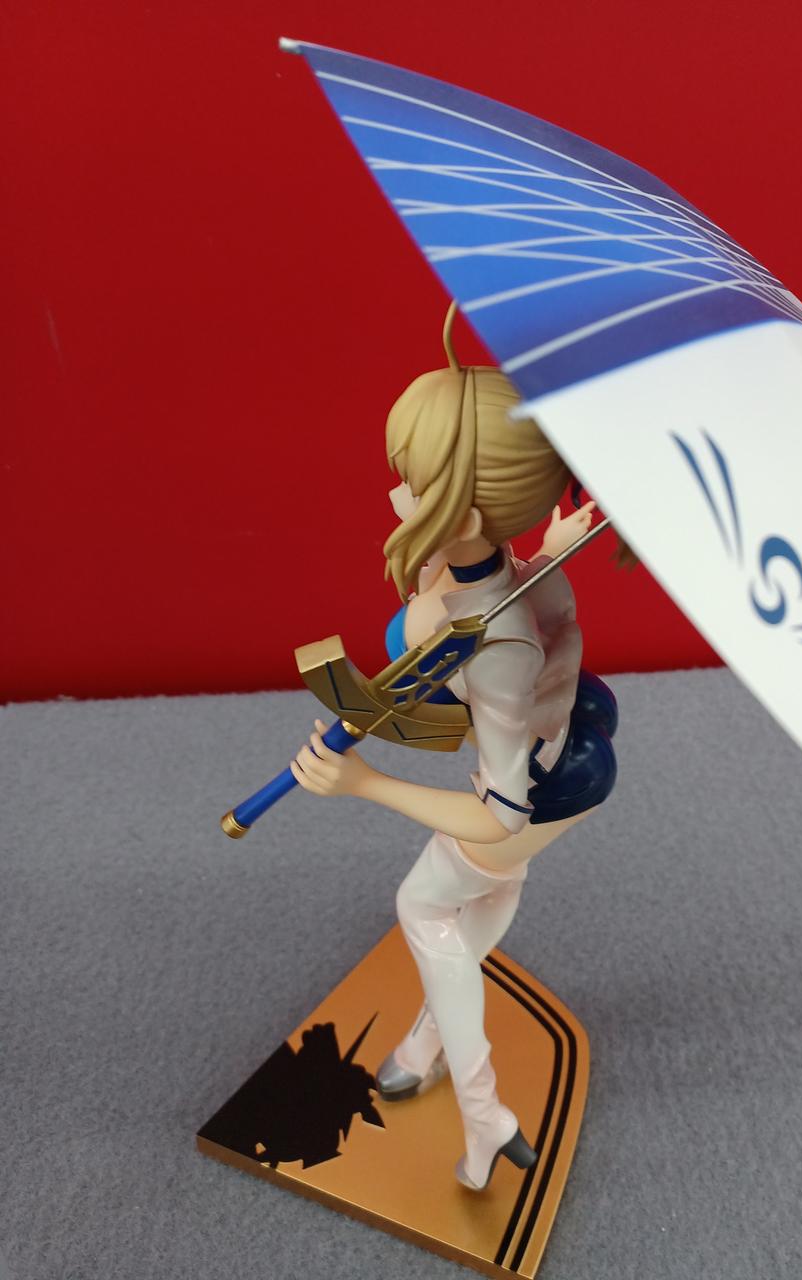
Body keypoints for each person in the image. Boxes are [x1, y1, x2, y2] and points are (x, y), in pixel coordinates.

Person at [292, 308, 617, 1191]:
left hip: (540, 784)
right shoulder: (497, 576)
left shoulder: (499, 648)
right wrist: (547, 553)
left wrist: (365, 783)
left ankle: (484, 1114)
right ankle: (428, 1042)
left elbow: (499, 813)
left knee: (425, 905)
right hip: (552, 749)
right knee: (486, 893)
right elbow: (507, 598)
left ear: (464, 510)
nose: (397, 498)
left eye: (413, 481)